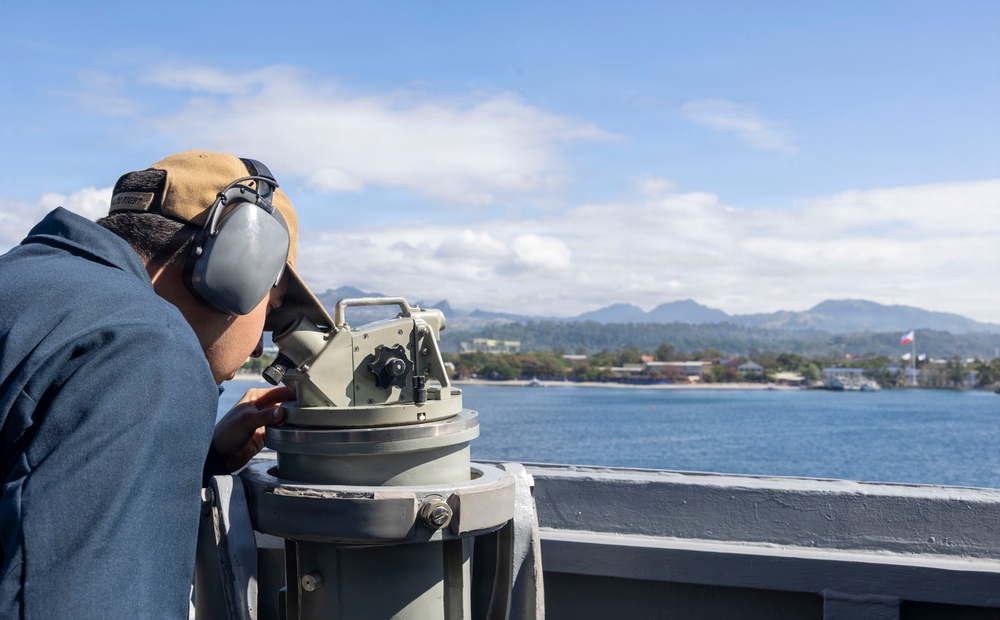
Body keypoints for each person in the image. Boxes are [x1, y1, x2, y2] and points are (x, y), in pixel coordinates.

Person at [0, 150, 331, 618]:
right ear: (236, 266)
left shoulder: (27, 288)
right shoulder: (148, 345)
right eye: (272, 307)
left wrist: (198, 451)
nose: (260, 346)